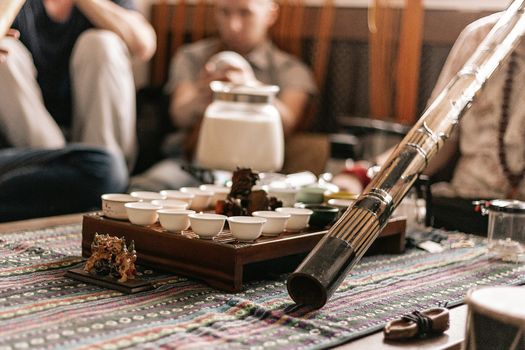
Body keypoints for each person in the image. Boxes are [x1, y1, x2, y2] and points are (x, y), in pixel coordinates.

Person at [130, 0, 317, 191]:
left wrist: (250, 87)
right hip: (188, 164)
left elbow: (287, 124)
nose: (233, 25)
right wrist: (203, 94)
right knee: (142, 189)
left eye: (245, 13)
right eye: (225, 13)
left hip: (255, 172)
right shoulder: (191, 57)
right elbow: (179, 115)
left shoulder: (290, 69)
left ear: (270, 14)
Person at [0, 0, 156, 170]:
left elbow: (143, 45)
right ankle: (51, 170)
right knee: (5, 51)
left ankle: (105, 170)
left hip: (97, 135)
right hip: (35, 141)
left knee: (102, 43)